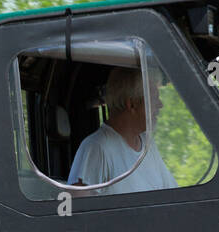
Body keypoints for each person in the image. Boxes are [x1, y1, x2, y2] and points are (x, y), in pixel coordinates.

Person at [66, 66, 176, 194]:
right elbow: (76, 209)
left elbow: (173, 193)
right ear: (132, 104)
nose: (160, 105)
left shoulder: (147, 143)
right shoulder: (97, 147)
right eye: (154, 98)